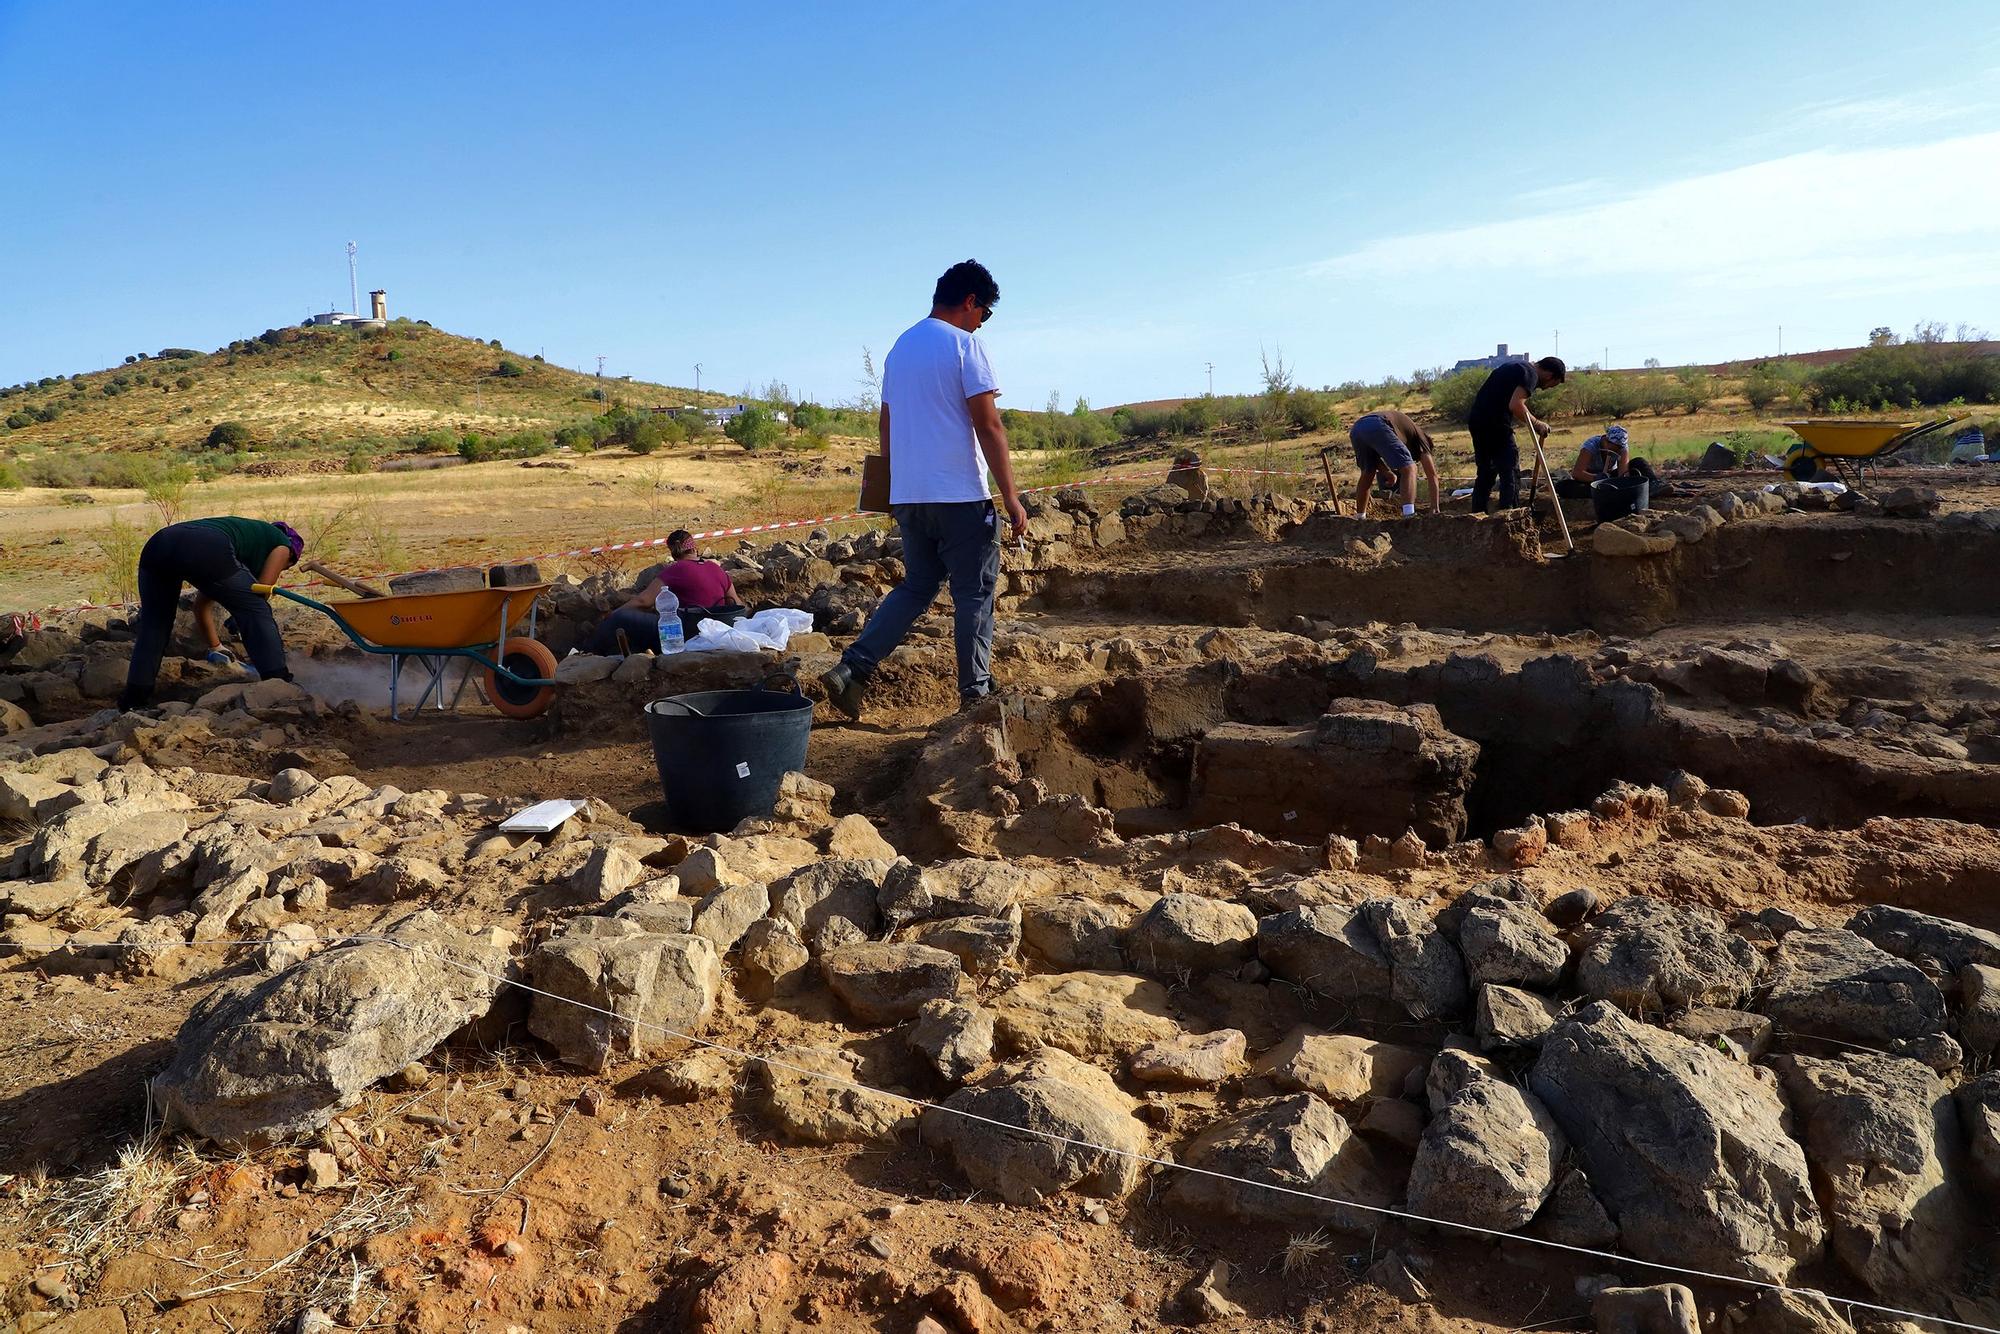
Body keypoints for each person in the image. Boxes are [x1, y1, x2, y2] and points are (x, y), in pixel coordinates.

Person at [819, 260, 1029, 718]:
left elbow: (886, 423)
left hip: (910, 497)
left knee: (917, 586)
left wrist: (896, 485)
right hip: (959, 497)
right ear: (970, 301)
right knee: (974, 593)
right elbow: (988, 424)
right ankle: (975, 696)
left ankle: (852, 669)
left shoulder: (901, 348)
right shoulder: (964, 346)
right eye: (985, 312)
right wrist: (1010, 495)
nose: (982, 322)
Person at [119, 516, 302, 710]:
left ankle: (133, 700)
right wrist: (241, 616)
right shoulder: (284, 544)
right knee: (256, 609)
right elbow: (262, 591)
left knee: (154, 625)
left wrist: (216, 647)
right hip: (206, 546)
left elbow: (200, 606)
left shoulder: (241, 544)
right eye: (286, 567)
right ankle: (278, 684)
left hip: (159, 544)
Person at [586, 529, 742, 655]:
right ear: (694, 548)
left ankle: (586, 653)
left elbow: (644, 601)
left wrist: (614, 613)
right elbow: (737, 604)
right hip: (719, 631)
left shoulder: (676, 569)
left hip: (686, 633)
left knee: (619, 618)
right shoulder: (716, 568)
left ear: (673, 552)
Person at [1467, 355, 1565, 512]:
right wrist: (1537, 424)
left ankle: (1477, 516)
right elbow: (1516, 405)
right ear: (1550, 375)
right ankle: (1509, 517)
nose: (1546, 388)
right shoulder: (1530, 374)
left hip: (1478, 422)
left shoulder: (1516, 366)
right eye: (1551, 385)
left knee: (1486, 472)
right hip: (1496, 425)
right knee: (1510, 471)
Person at [1349, 409, 1441, 516]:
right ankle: (1409, 515)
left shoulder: (1404, 434)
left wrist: (1387, 472)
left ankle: (1360, 517)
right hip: (1380, 423)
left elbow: (1373, 459)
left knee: (1368, 472)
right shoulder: (1422, 440)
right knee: (1410, 468)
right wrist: (1435, 506)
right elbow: (1432, 475)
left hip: (1357, 428)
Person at [1554, 424, 1657, 498]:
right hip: (1590, 479)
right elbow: (1577, 473)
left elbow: (1623, 474)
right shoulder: (1590, 446)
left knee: (1639, 462)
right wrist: (1596, 478)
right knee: (1564, 486)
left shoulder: (1622, 448)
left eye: (1619, 448)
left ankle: (1654, 485)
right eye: (1614, 447)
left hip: (1611, 477)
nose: (1616, 450)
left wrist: (1622, 482)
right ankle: (1605, 492)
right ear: (1606, 441)